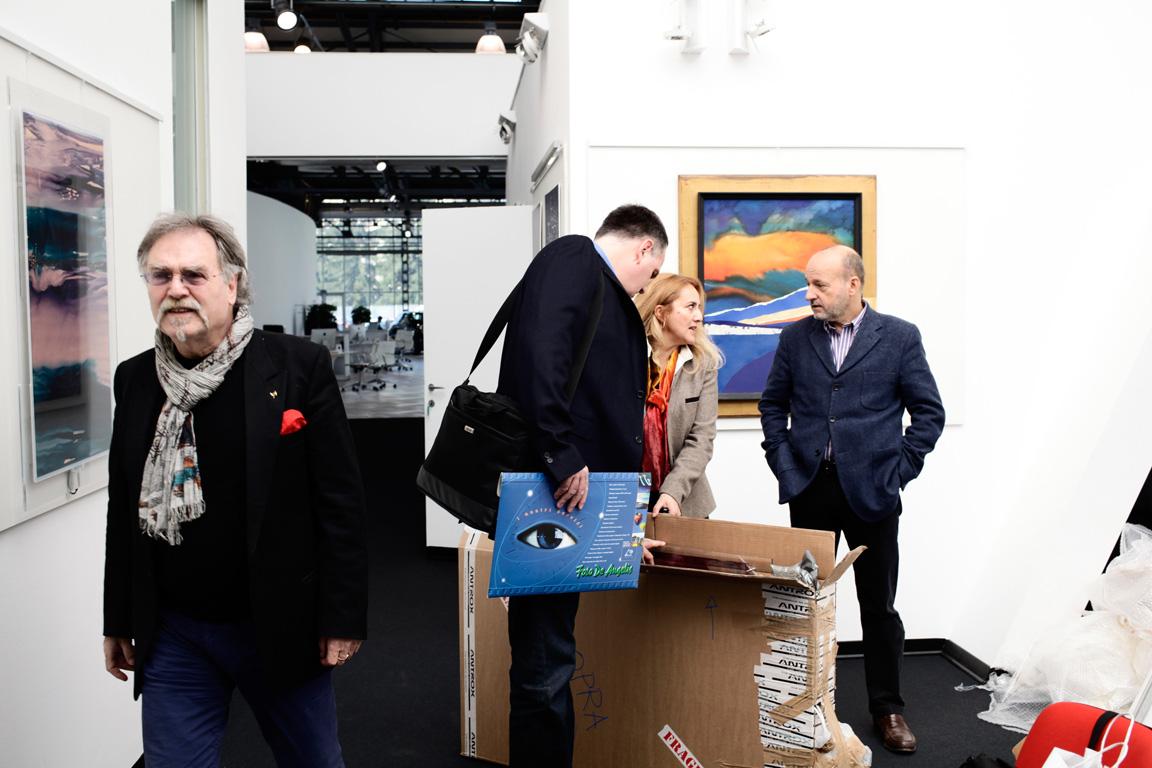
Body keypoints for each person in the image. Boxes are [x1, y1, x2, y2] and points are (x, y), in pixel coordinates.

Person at [102, 213, 368, 768]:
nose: (176, 289)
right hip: (175, 632)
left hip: (277, 620)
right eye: (160, 275)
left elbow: (340, 502)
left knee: (313, 761)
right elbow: (123, 507)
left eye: (193, 275)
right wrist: (118, 617)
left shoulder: (296, 367)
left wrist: (342, 616)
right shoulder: (134, 378)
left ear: (231, 284)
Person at [496, 204, 669, 768]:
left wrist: (623, 529)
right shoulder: (574, 256)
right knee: (545, 666)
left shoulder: (591, 278)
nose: (646, 284)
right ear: (643, 248)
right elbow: (541, 353)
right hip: (553, 493)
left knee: (552, 658)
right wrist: (559, 451)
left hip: (569, 497)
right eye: (651, 271)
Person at [758, 245, 944, 754]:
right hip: (810, 490)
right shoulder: (795, 337)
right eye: (808, 283)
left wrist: (899, 472)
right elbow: (772, 405)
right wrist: (785, 465)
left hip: (874, 492)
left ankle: (887, 709)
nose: (809, 294)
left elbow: (929, 413)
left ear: (853, 284)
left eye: (819, 284)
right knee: (804, 601)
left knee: (878, 606)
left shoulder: (900, 337)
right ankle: (804, 706)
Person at [633, 273, 721, 518]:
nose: (699, 316)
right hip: (627, 496)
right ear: (660, 312)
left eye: (699, 307)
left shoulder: (703, 365)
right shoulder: (624, 360)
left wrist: (672, 491)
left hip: (684, 500)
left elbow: (702, 438)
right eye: (691, 306)